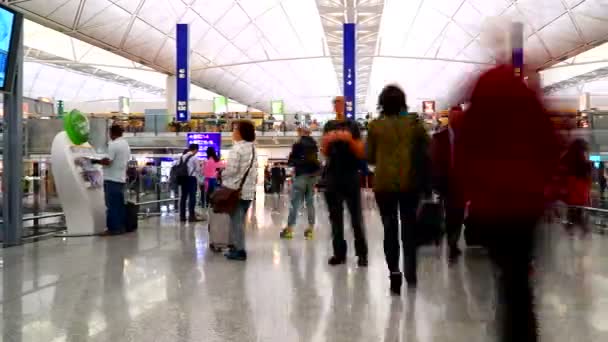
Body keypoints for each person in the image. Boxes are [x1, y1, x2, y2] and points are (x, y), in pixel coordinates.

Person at [455, 65, 559, 342]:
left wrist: (470, 195)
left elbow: (463, 157)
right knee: (518, 278)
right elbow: (551, 146)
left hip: (492, 208)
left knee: (508, 275)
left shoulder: (478, 114)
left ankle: (511, 328)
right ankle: (522, 331)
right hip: (526, 206)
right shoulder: (528, 106)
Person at [368, 85, 430, 294]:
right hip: (410, 183)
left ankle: (394, 273)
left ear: (382, 103)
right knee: (409, 228)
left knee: (390, 229)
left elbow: (369, 156)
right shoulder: (414, 124)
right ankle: (411, 272)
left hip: (384, 185)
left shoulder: (375, 126)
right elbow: (428, 149)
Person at [320, 96, 368, 267]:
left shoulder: (353, 125)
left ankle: (362, 254)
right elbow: (325, 151)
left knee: (356, 217)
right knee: (335, 218)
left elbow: (360, 150)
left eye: (340, 103)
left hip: (350, 174)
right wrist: (327, 141)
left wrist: (348, 139)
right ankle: (339, 253)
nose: (338, 106)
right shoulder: (328, 126)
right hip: (332, 174)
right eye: (335, 103)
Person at [431, 106, 466, 263]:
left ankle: (453, 240)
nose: (457, 120)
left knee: (458, 213)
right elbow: (433, 160)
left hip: (460, 181)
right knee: (450, 212)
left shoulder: (468, 137)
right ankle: (452, 243)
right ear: (450, 118)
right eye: (454, 117)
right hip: (444, 180)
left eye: (460, 117)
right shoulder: (440, 137)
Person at [222, 120, 258, 261]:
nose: (233, 132)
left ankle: (239, 250)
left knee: (236, 221)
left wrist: (221, 174)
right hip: (248, 191)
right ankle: (236, 246)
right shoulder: (253, 148)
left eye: (235, 130)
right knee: (240, 220)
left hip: (235, 191)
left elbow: (231, 170)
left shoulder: (237, 149)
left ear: (241, 133)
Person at [280, 127, 321, 240]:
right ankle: (311, 229)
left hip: (301, 176)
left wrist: (291, 160)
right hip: (312, 177)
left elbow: (291, 162)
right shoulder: (314, 145)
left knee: (295, 203)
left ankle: (289, 229)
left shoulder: (298, 144)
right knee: (310, 202)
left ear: (301, 133)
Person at [96, 125, 131, 236]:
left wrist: (95, 161)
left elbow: (108, 161)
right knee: (119, 205)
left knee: (111, 206)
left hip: (111, 179)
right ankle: (121, 227)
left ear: (112, 133)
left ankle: (112, 229)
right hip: (121, 178)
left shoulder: (114, 145)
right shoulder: (125, 144)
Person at [563, 138, 592, 230]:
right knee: (576, 212)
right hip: (577, 190)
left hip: (574, 192)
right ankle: (578, 226)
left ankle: (573, 226)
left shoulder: (568, 158)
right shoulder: (580, 162)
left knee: (573, 212)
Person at [178, 144, 201, 222]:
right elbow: (198, 170)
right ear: (195, 149)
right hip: (191, 178)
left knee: (183, 197)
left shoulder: (182, 157)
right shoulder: (194, 158)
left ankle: (182, 216)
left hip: (183, 178)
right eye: (197, 150)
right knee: (192, 197)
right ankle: (191, 216)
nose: (197, 152)